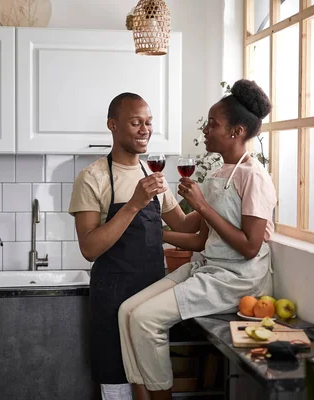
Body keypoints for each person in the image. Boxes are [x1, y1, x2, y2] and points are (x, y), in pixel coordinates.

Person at [117, 79, 277, 400]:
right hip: (208, 269)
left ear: (236, 132)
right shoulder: (219, 174)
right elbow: (201, 238)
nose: (205, 130)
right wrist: (154, 234)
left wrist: (202, 204)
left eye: (213, 124)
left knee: (146, 321)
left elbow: (250, 247)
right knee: (127, 312)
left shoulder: (255, 178)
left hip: (238, 281)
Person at [68, 92, 199, 400]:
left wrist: (209, 202)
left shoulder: (152, 175)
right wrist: (134, 204)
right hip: (112, 298)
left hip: (152, 299)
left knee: (151, 382)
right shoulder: (92, 177)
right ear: (113, 125)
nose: (145, 130)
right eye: (136, 122)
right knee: (118, 386)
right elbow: (89, 248)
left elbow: (183, 225)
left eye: (149, 122)